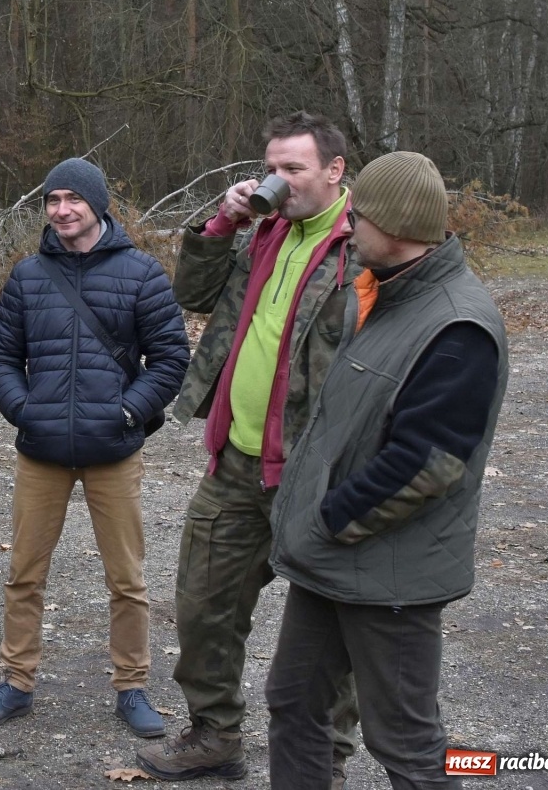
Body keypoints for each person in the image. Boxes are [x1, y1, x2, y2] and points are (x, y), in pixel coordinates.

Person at [263, 151, 505, 789]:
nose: (348, 227)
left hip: (391, 573)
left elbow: (427, 464)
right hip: (332, 562)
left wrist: (328, 520)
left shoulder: (457, 325)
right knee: (294, 703)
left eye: (359, 216)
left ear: (395, 228)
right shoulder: (380, 296)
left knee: (406, 743)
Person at [138, 111, 360, 784]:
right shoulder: (265, 229)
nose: (279, 180)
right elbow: (192, 293)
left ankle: (324, 760)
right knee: (204, 602)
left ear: (334, 169)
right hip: (236, 460)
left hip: (318, 473)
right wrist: (222, 223)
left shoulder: (367, 247)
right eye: (273, 166)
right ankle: (215, 735)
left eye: (294, 168)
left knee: (331, 629)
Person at [0, 157, 189, 738]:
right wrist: (24, 409)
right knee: (23, 574)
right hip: (40, 453)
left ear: (98, 204)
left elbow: (170, 361)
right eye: (52, 199)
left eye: (73, 199)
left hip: (113, 451)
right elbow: (1, 357)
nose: (62, 210)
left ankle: (132, 686)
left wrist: (128, 410)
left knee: (127, 579)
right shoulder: (27, 276)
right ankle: (16, 682)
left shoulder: (142, 274)